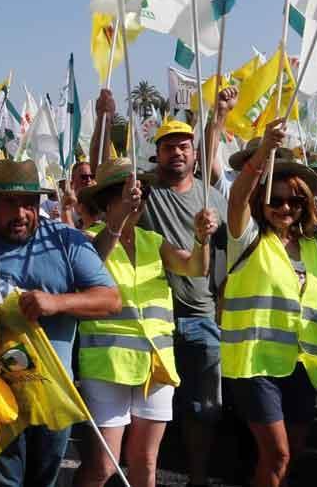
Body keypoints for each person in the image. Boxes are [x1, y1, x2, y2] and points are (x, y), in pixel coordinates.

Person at [0, 158, 121, 486]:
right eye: (10, 203)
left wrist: (56, 303)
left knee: (44, 481)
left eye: (28, 204)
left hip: (51, 395)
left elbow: (110, 300)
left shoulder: (64, 240)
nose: (21, 213)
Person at [76, 158, 217, 487]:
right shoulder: (85, 239)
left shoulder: (152, 241)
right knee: (102, 466)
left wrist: (201, 238)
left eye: (141, 194)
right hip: (107, 365)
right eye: (128, 195)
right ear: (108, 200)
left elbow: (196, 267)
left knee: (145, 462)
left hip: (156, 365)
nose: (138, 201)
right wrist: (117, 220)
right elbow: (90, 265)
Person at [131, 88, 237, 487]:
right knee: (148, 407)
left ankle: (197, 477)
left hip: (202, 316)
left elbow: (234, 249)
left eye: (184, 146)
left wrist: (221, 114)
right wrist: (106, 114)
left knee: (204, 406)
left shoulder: (211, 197)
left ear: (194, 155)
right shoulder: (146, 192)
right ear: (156, 154)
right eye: (168, 147)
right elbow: (105, 167)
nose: (177, 152)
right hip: (155, 317)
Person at [224, 120, 317, 487]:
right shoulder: (248, 237)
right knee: (278, 454)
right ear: (262, 200)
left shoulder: (313, 248)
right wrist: (262, 155)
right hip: (256, 364)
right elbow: (237, 198)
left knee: (290, 457)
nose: (285, 207)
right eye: (276, 199)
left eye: (296, 200)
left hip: (303, 366)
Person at [60, 160, 97, 228]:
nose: (89, 179)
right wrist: (66, 209)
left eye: (91, 176)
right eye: (84, 177)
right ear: (73, 179)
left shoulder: (101, 202)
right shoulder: (65, 204)